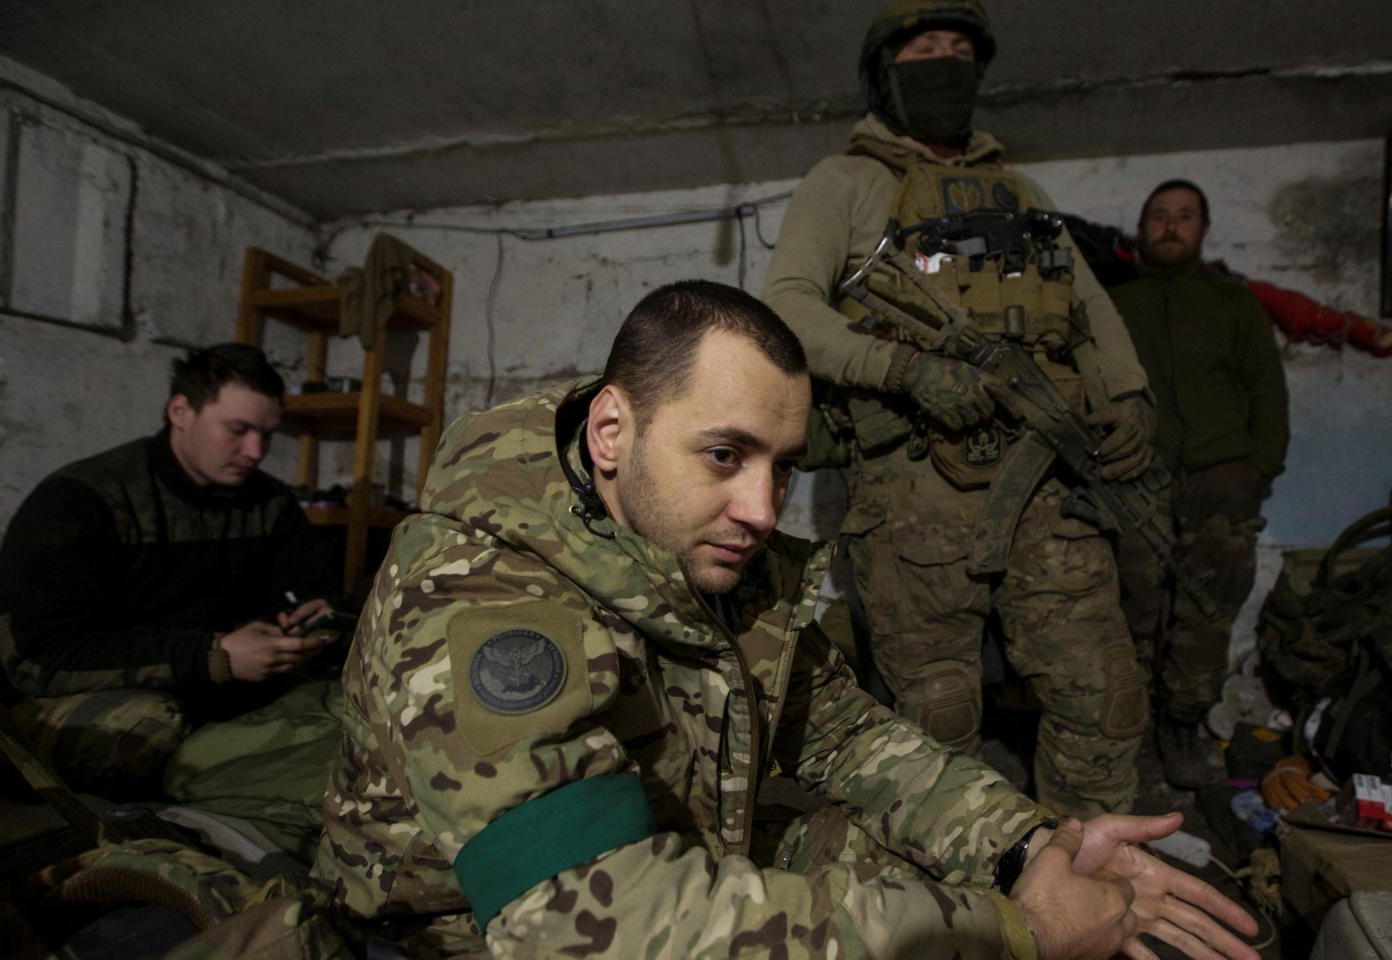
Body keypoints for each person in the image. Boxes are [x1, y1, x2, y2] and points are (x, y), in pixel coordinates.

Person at [315, 280, 1258, 959]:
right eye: (725, 455)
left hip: (679, 851)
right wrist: (1027, 931)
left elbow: (845, 736)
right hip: (475, 930)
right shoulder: (484, 595)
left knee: (925, 883)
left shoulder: (715, 557)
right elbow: (586, 926)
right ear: (612, 432)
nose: (764, 510)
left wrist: (1024, 849)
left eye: (783, 467)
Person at [761, 0, 1156, 817]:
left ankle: (1096, 897)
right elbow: (790, 309)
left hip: (1051, 481)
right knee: (935, 723)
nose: (946, 61)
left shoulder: (1021, 190)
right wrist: (904, 370)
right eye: (924, 48)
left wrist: (1128, 394)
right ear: (886, 72)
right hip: (916, 493)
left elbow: (1085, 308)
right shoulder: (846, 181)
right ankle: (967, 911)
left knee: (1106, 700)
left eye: (959, 49)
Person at [0, 343, 337, 796]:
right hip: (68, 696)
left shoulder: (271, 503)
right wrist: (213, 656)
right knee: (143, 734)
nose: (254, 451)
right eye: (237, 430)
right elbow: (38, 656)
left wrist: (309, 622)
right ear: (180, 410)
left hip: (205, 683)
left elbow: (307, 587)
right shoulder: (81, 501)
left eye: (267, 435)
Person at [1108, 180, 1290, 788]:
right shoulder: (1117, 305)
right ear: (1141, 228)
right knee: (1135, 610)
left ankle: (1181, 729)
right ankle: (1131, 738)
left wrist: (1259, 468)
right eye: (1158, 216)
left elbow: (1267, 389)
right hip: (1140, 479)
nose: (1169, 227)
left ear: (1202, 229)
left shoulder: (1232, 302)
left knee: (1206, 613)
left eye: (1183, 217)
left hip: (1221, 479)